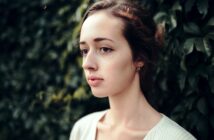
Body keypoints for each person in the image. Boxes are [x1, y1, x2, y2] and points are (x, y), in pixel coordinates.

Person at [69, 0, 196, 140]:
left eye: (105, 49)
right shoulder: (82, 130)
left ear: (139, 57)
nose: (87, 64)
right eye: (85, 51)